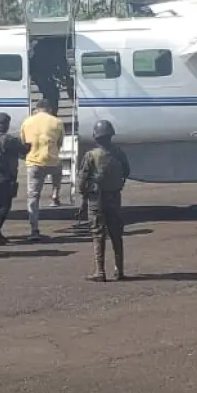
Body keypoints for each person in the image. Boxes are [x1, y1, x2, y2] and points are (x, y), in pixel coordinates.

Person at [76, 119, 130, 282]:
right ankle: (119, 270)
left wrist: (83, 195)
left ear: (96, 137)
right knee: (116, 233)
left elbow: (82, 180)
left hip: (96, 199)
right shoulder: (119, 153)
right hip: (114, 196)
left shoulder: (91, 155)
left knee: (98, 234)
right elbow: (126, 171)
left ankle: (100, 271)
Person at [19, 99, 66, 241]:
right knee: (58, 172)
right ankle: (55, 194)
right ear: (49, 109)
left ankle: (34, 230)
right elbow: (60, 143)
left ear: (37, 109)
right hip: (51, 161)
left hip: (34, 163)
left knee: (33, 197)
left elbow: (23, 143)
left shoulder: (26, 122)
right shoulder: (57, 122)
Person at [0, 112, 30, 245]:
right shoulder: (9, 140)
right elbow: (25, 149)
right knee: (4, 206)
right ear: (6, 125)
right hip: (5, 178)